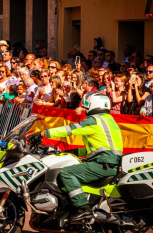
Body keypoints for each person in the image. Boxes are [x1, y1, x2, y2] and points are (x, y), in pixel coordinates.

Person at [29, 92, 123, 221]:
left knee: (67, 173)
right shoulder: (108, 120)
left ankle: (83, 208)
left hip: (102, 164)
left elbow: (71, 129)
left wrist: (44, 133)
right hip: (107, 162)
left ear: (93, 104)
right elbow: (98, 147)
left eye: (86, 106)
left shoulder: (94, 120)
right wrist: (72, 152)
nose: (85, 109)